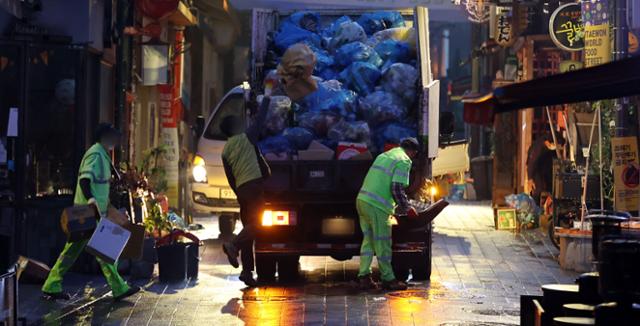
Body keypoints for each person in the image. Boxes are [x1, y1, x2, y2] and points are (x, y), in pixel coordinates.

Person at [42, 124, 140, 301]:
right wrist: (91, 200)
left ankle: (51, 284)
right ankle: (119, 287)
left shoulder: (101, 154)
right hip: (88, 212)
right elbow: (85, 180)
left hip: (90, 212)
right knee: (105, 249)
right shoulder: (96, 154)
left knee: (72, 251)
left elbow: (96, 184)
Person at [356, 138, 419, 291]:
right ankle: (388, 279)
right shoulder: (404, 160)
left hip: (362, 201)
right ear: (412, 152)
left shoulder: (385, 155)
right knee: (383, 242)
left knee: (369, 241)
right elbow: (396, 188)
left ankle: (364, 276)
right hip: (377, 206)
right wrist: (407, 207)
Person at [221, 97, 271, 287]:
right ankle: (232, 244)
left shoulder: (225, 151)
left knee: (249, 229)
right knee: (258, 225)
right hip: (254, 187)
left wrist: (240, 194)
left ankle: (247, 273)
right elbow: (261, 119)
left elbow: (230, 177)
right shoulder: (247, 137)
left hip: (242, 190)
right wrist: (267, 97)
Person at [527, 132, 563, 204]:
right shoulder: (538, 148)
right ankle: (535, 207)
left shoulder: (548, 143)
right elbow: (532, 162)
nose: (554, 146)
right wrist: (530, 179)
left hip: (545, 167)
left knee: (549, 186)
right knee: (538, 188)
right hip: (535, 170)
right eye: (554, 145)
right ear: (548, 143)